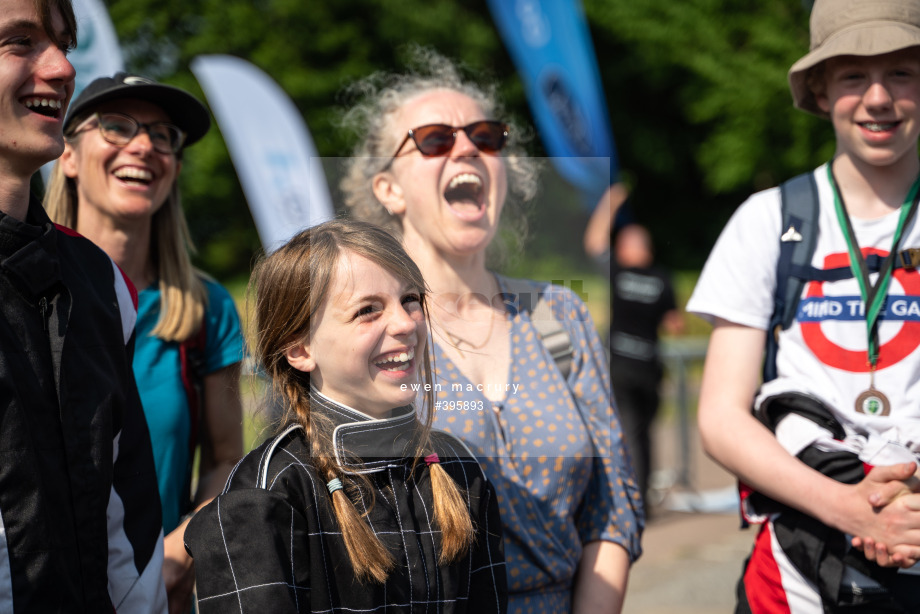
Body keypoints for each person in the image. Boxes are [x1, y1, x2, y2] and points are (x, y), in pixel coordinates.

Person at [340, 48, 643, 613]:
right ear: (389, 189)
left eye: (485, 135)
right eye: (433, 139)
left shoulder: (559, 314)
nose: (466, 148)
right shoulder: (366, 329)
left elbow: (613, 506)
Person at [688, 0, 920, 610]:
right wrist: (852, 510)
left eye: (902, 72)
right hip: (798, 571)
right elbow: (720, 417)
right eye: (852, 76)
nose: (878, 98)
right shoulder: (767, 220)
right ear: (819, 91)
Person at [184, 219, 506, 613]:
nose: (405, 323)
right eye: (367, 310)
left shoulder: (460, 470)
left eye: (410, 299)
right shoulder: (268, 493)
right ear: (299, 348)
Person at [43, 72, 244, 613]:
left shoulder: (206, 309)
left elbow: (227, 459)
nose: (144, 146)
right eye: (116, 126)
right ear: (66, 153)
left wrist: (182, 550)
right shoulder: (22, 290)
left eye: (163, 135)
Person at [0, 0, 167, 611]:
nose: (61, 68)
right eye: (19, 42)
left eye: (65, 45)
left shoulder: (97, 280)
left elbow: (128, 519)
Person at [609, 224, 684, 502]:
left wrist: (610, 203)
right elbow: (676, 323)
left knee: (627, 432)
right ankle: (642, 498)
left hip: (622, 367)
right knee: (644, 435)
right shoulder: (661, 278)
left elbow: (592, 245)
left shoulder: (617, 274)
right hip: (649, 367)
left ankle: (630, 500)